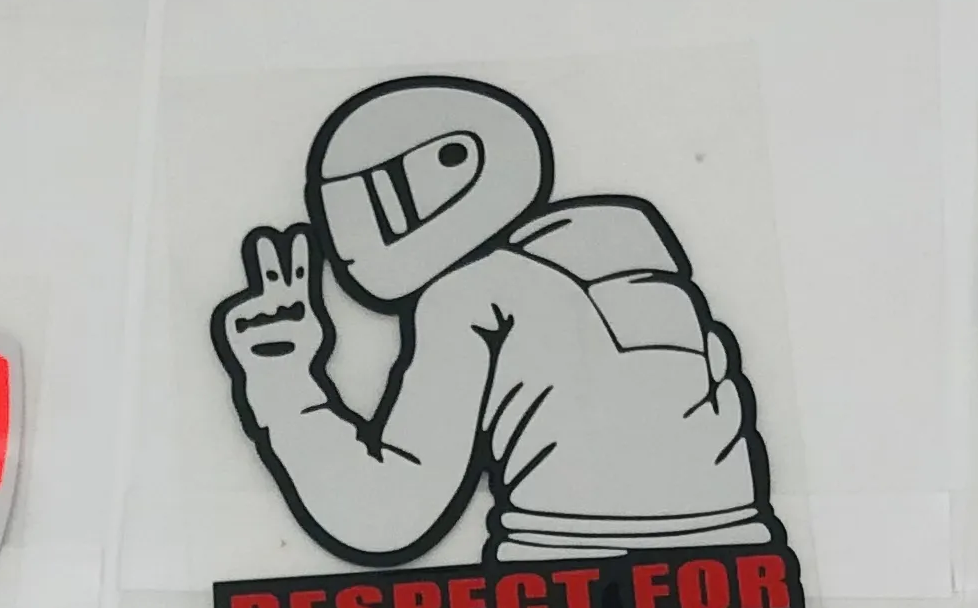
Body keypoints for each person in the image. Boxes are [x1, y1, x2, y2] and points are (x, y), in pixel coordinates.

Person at [213, 75, 780, 567]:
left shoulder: (473, 294)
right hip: (739, 582)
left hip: (565, 595)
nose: (347, 243)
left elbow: (385, 515)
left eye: (363, 200)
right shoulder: (649, 284)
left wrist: (281, 380)